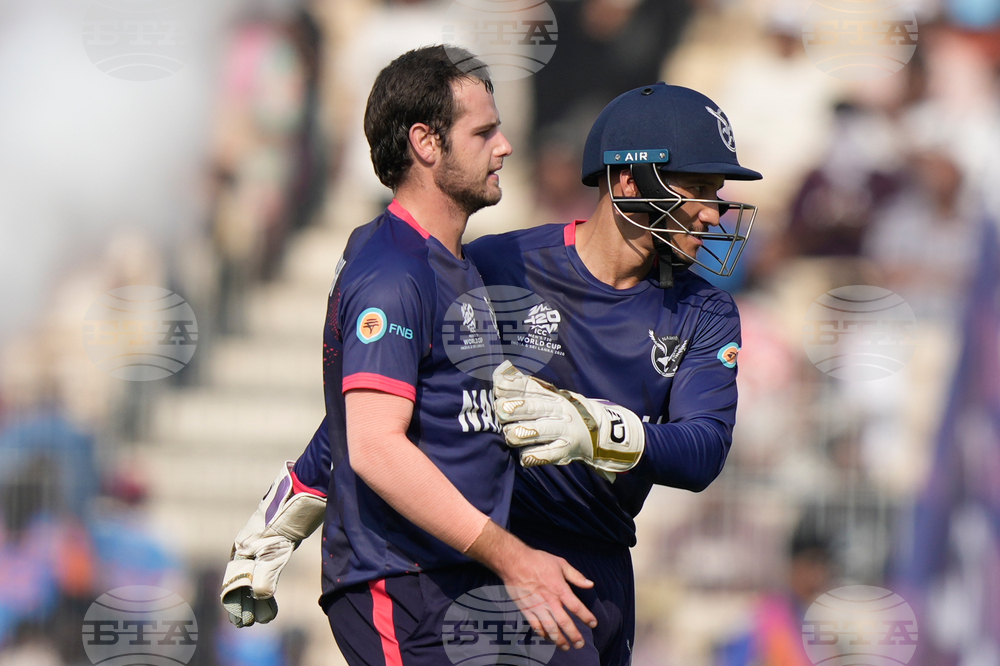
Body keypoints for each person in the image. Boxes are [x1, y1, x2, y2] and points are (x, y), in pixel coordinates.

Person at [231, 81, 762, 665]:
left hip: (607, 561)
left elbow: (703, 449)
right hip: (502, 557)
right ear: (628, 181)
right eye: (698, 188)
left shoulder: (706, 310)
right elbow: (389, 396)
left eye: (718, 192)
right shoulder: (499, 267)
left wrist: (597, 430)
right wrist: (302, 492)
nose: (713, 212)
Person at [220, 45, 598, 666]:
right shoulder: (393, 275)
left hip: (460, 576)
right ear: (426, 143)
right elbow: (375, 446)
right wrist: (513, 556)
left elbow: (371, 414)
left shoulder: (451, 263)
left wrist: (297, 490)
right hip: (401, 586)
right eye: (484, 132)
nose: (504, 146)